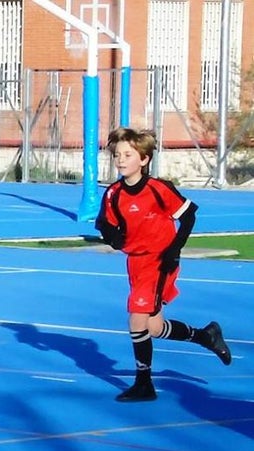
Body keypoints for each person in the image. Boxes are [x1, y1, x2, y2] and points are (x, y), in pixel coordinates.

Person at [95, 126, 231, 402]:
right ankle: (206, 335)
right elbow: (104, 223)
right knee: (153, 328)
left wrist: (174, 250)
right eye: (117, 155)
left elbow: (189, 215)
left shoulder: (158, 189)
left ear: (144, 159)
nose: (121, 160)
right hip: (136, 262)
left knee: (136, 317)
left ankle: (144, 384)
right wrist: (112, 237)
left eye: (128, 154)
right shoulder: (113, 193)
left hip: (159, 261)